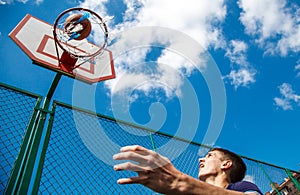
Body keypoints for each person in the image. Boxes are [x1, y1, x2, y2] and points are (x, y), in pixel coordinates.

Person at [113, 145, 263, 195]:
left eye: (210, 155)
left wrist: (182, 182)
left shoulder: (242, 187)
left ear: (226, 164)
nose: (201, 159)